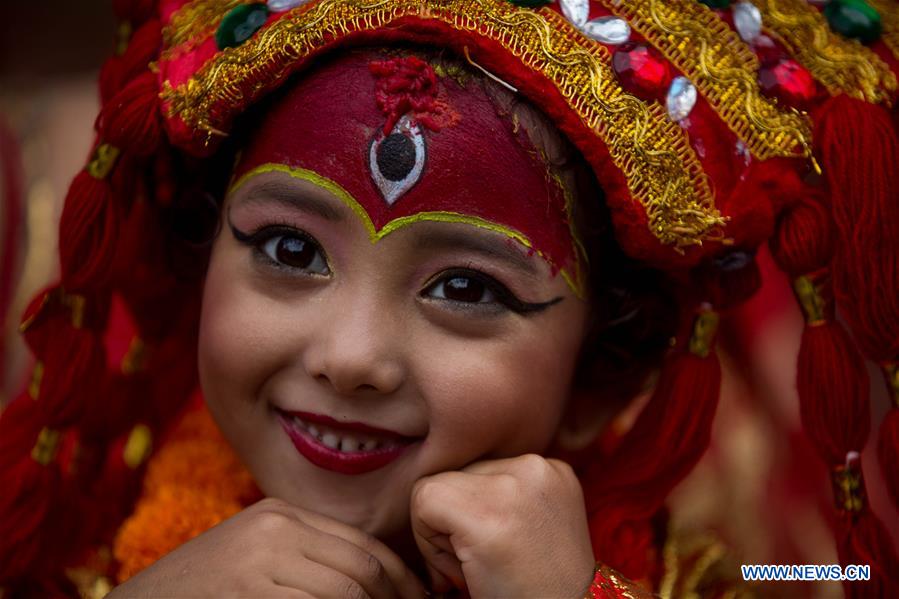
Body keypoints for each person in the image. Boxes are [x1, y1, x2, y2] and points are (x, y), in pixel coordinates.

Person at [1, 0, 898, 597]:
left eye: (465, 287)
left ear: (600, 377)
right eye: (289, 247)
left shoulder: (762, 564)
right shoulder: (85, 546)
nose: (350, 356)